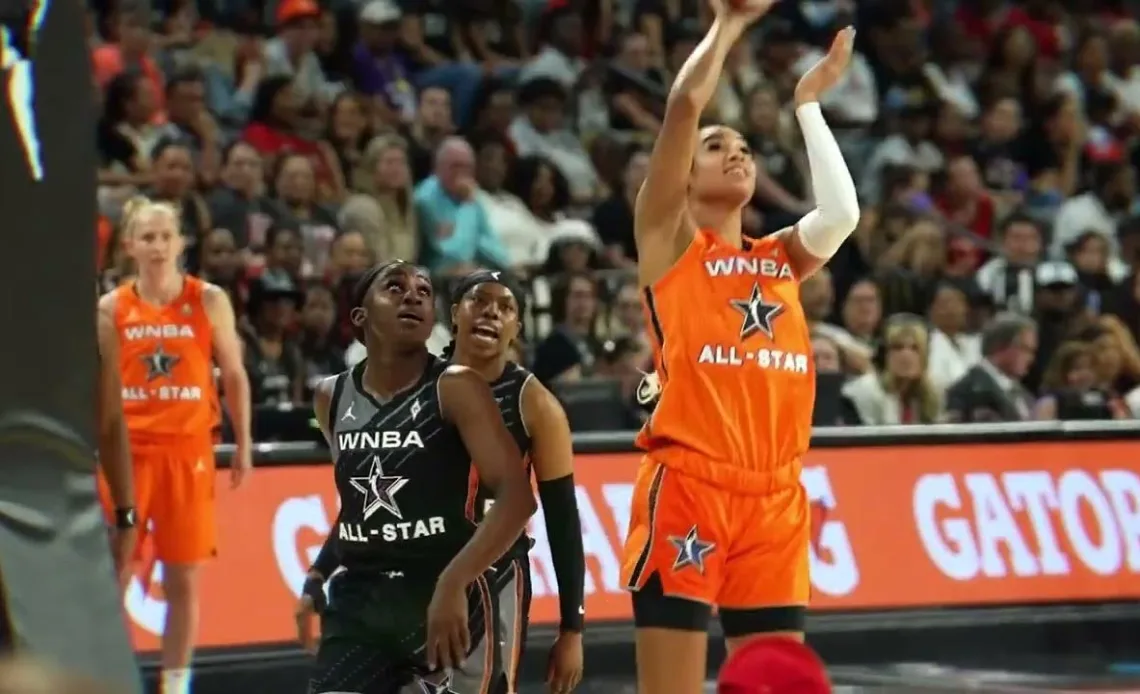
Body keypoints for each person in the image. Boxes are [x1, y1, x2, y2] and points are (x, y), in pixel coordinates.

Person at [618, 1, 860, 692]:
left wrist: (808, 105)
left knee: (775, 683)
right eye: (719, 146)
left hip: (776, 496)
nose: (739, 154)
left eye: (747, 149)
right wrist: (727, 26)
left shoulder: (778, 257)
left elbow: (842, 215)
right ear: (686, 176)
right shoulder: (668, 241)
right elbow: (684, 106)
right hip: (691, 486)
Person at [296, 261, 536, 694]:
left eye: (424, 292)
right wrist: (317, 574)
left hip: (444, 591)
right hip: (361, 602)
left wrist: (454, 582)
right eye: (395, 288)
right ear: (360, 317)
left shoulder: (456, 387)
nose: (413, 296)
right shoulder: (330, 397)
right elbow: (360, 506)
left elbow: (518, 500)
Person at [97, 198, 253, 694]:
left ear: (181, 242)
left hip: (189, 454)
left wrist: (244, 443)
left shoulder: (208, 300)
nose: (158, 246)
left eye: (166, 236)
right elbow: (97, 390)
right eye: (148, 237)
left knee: (182, 579)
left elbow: (233, 374)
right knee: (113, 573)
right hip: (128, 455)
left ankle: (175, 683)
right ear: (130, 247)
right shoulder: (111, 308)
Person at [446, 270, 586, 694]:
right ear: (455, 314)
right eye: (479, 301)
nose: (491, 313)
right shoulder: (415, 386)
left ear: (516, 328)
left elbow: (562, 519)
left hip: (494, 572)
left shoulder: (536, 403)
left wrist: (572, 629)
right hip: (419, 567)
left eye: (505, 307)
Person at [95, 301, 136, 589]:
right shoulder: (97, 325)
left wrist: (126, 516)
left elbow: (110, 426)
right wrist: (126, 517)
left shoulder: (99, 327)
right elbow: (110, 426)